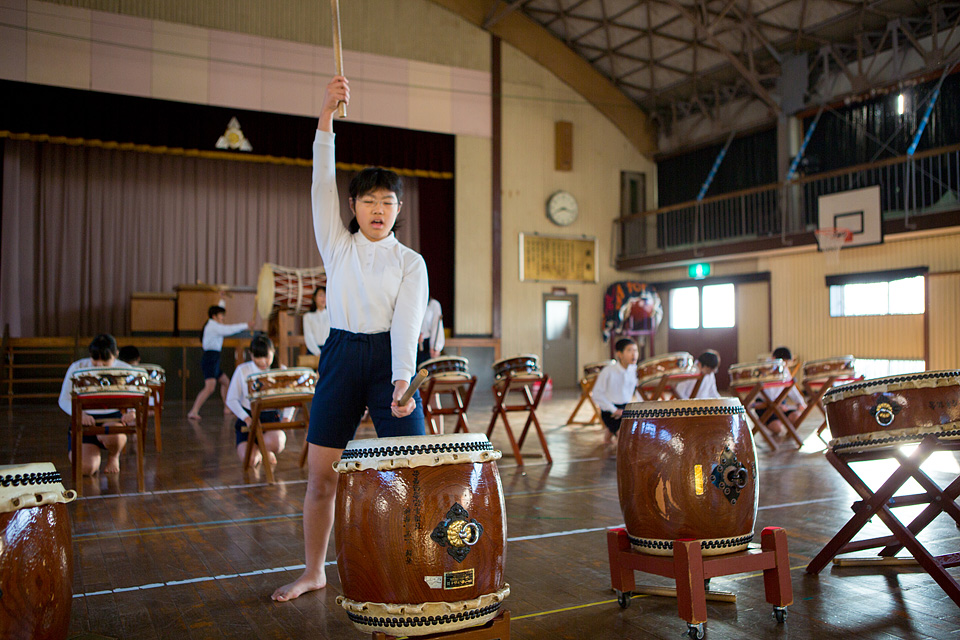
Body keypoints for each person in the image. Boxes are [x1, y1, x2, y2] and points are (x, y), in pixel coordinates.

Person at [271, 75, 428, 602]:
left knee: (409, 473)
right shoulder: (337, 246)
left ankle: (409, 569)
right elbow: (321, 180)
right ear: (354, 205)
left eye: (388, 201)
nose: (378, 209)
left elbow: (407, 323)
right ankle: (314, 571)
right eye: (369, 201)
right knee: (322, 477)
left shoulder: (411, 262)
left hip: (390, 363)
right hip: (340, 356)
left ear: (399, 209)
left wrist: (402, 380)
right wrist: (325, 115)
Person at [58, 334, 136, 475]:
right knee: (85, 469)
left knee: (115, 436)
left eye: (105, 360)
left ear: (116, 354)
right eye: (95, 359)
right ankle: (93, 457)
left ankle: (114, 456)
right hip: (85, 420)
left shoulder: (126, 369)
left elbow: (136, 395)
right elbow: (64, 399)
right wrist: (80, 414)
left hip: (112, 419)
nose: (99, 364)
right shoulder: (77, 367)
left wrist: (132, 412)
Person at [225, 333, 292, 467]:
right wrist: (246, 418)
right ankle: (260, 452)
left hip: (271, 418)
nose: (262, 362)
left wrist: (286, 417)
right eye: (258, 357)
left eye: (266, 357)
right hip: (249, 418)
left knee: (277, 442)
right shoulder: (243, 370)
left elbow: (291, 397)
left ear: (273, 352)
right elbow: (231, 399)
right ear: (251, 354)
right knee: (249, 460)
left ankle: (265, 450)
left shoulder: (281, 370)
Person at [187, 305, 249, 419]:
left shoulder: (213, 324)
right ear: (214, 316)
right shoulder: (213, 326)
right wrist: (246, 325)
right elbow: (228, 330)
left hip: (214, 358)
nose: (223, 318)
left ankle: (227, 407)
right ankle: (194, 411)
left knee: (226, 382)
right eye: (221, 315)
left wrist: (222, 300)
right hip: (210, 358)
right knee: (210, 387)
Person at [591, 338, 640, 447]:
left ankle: (608, 437)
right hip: (610, 410)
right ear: (619, 354)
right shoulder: (608, 371)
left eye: (635, 350)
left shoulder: (635, 370)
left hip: (626, 409)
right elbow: (597, 394)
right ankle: (612, 434)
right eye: (629, 350)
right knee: (624, 437)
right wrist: (614, 410)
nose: (634, 354)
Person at [765, 346, 807, 437]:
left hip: (780, 404)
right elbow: (767, 393)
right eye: (785, 363)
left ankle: (787, 429)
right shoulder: (765, 369)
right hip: (766, 406)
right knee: (777, 428)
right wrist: (777, 405)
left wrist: (800, 402)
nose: (786, 366)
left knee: (796, 417)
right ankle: (771, 422)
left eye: (787, 364)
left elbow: (791, 388)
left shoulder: (785, 370)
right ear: (774, 359)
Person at [302, 286, 330, 357]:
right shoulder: (308, 316)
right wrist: (318, 353)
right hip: (313, 351)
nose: (323, 298)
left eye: (325, 295)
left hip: (329, 350)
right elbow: (308, 336)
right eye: (321, 295)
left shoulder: (332, 316)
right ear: (315, 298)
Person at [417, 297, 445, 366]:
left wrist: (435, 347)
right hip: (413, 342)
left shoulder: (433, 304)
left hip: (427, 345)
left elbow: (436, 325)